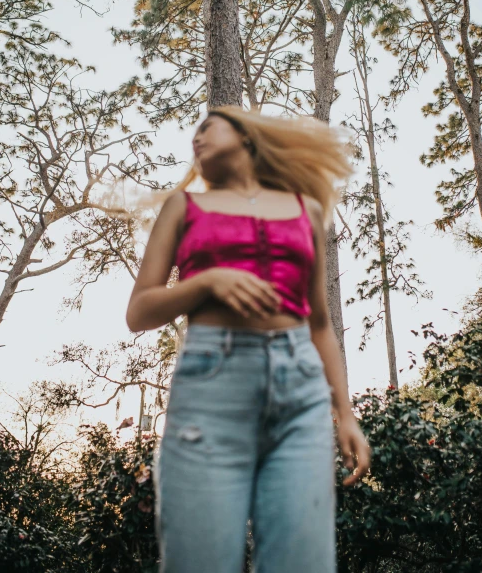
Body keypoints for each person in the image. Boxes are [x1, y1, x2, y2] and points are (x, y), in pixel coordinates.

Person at [126, 105, 371, 573]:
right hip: (211, 389)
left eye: (206, 127)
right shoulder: (184, 207)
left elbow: (319, 322)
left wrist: (346, 412)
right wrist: (206, 282)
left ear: (246, 136)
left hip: (301, 392)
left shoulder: (306, 209)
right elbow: (138, 312)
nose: (194, 140)